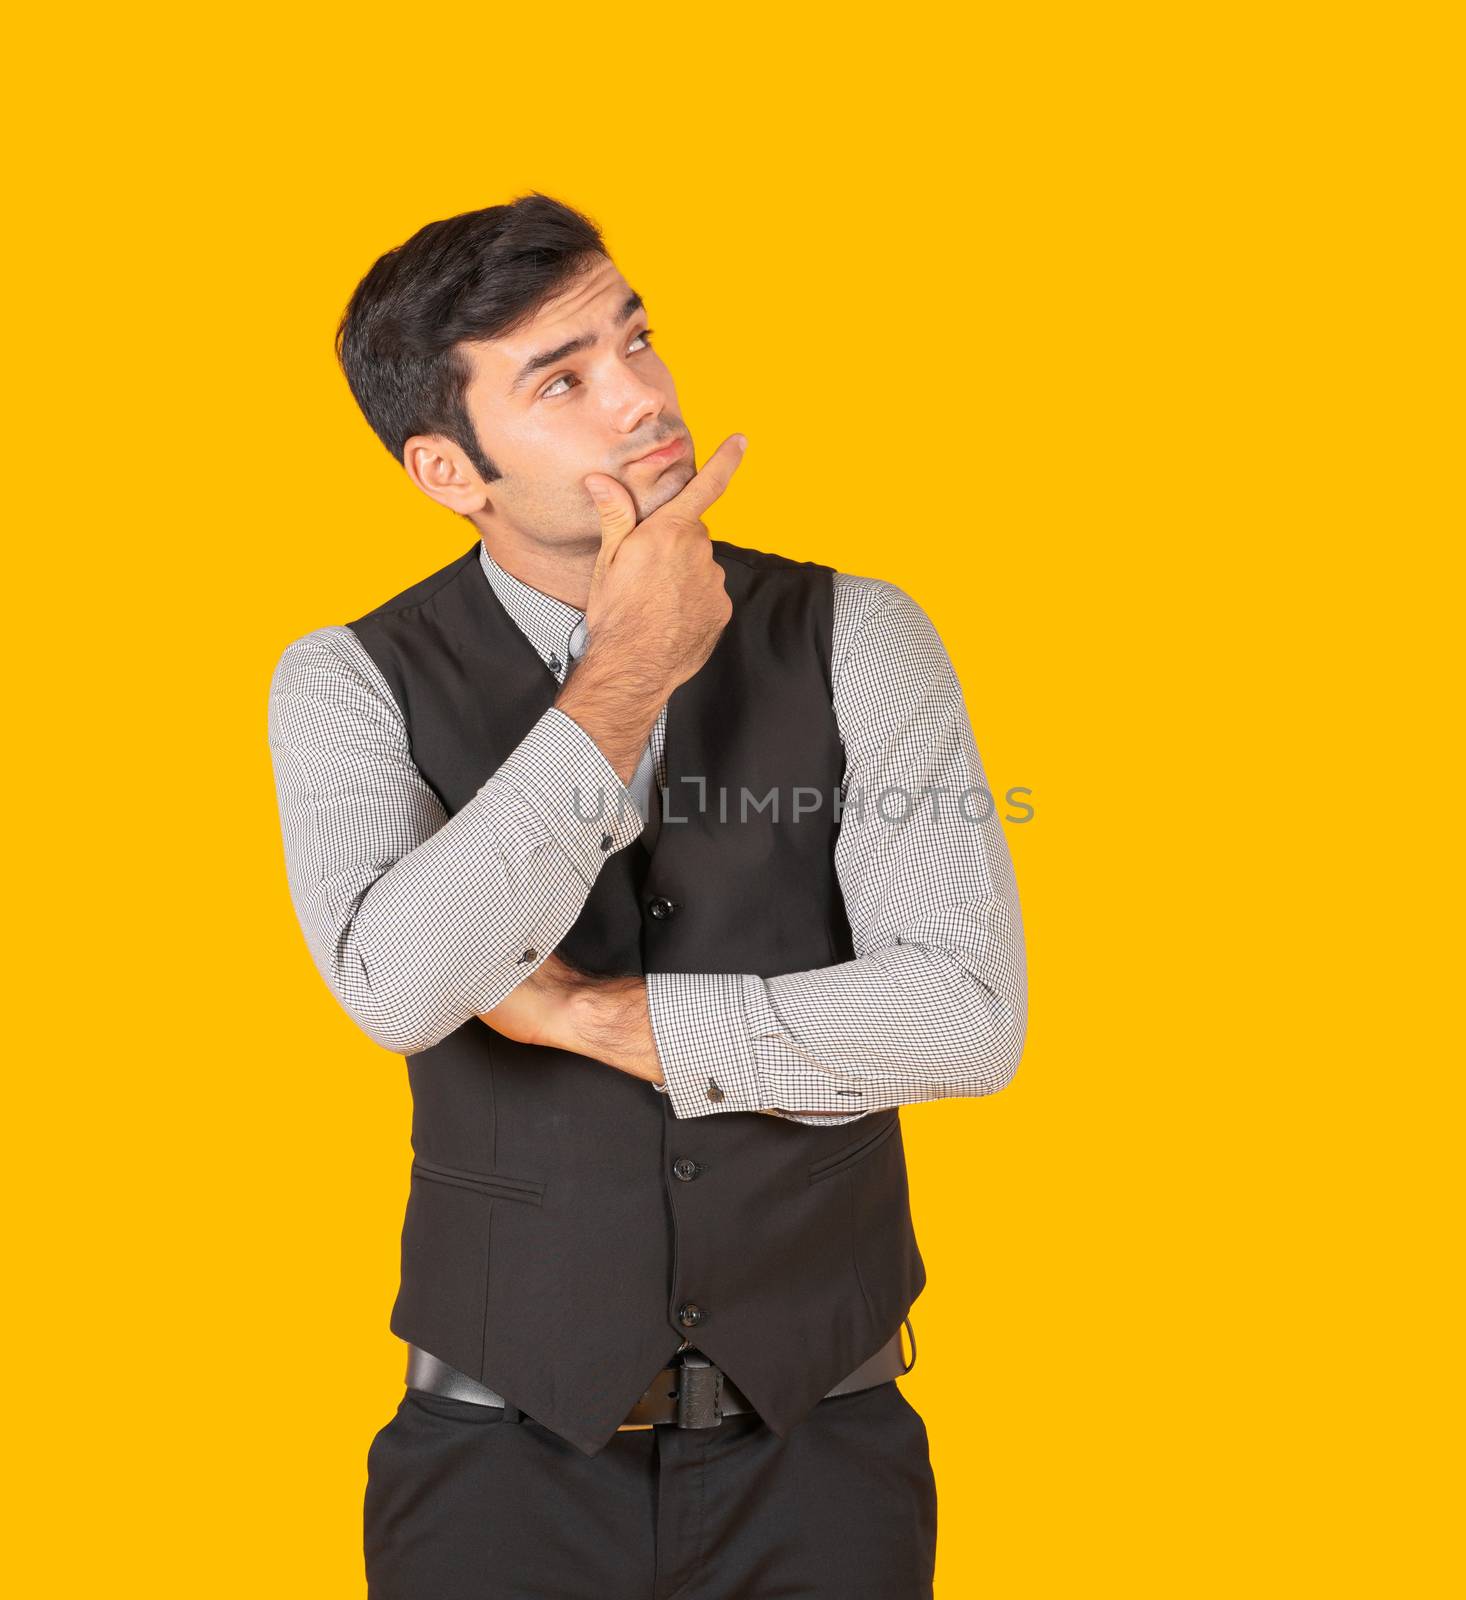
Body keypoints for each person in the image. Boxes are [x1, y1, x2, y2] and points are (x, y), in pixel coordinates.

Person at [267, 190, 1028, 1599]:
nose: (643, 396)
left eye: (637, 338)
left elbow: (964, 1020)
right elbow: (404, 987)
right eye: (564, 379)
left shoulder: (862, 634)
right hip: (495, 1474)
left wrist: (595, 1017)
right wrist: (622, 682)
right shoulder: (345, 681)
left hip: (828, 1460)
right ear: (450, 469)